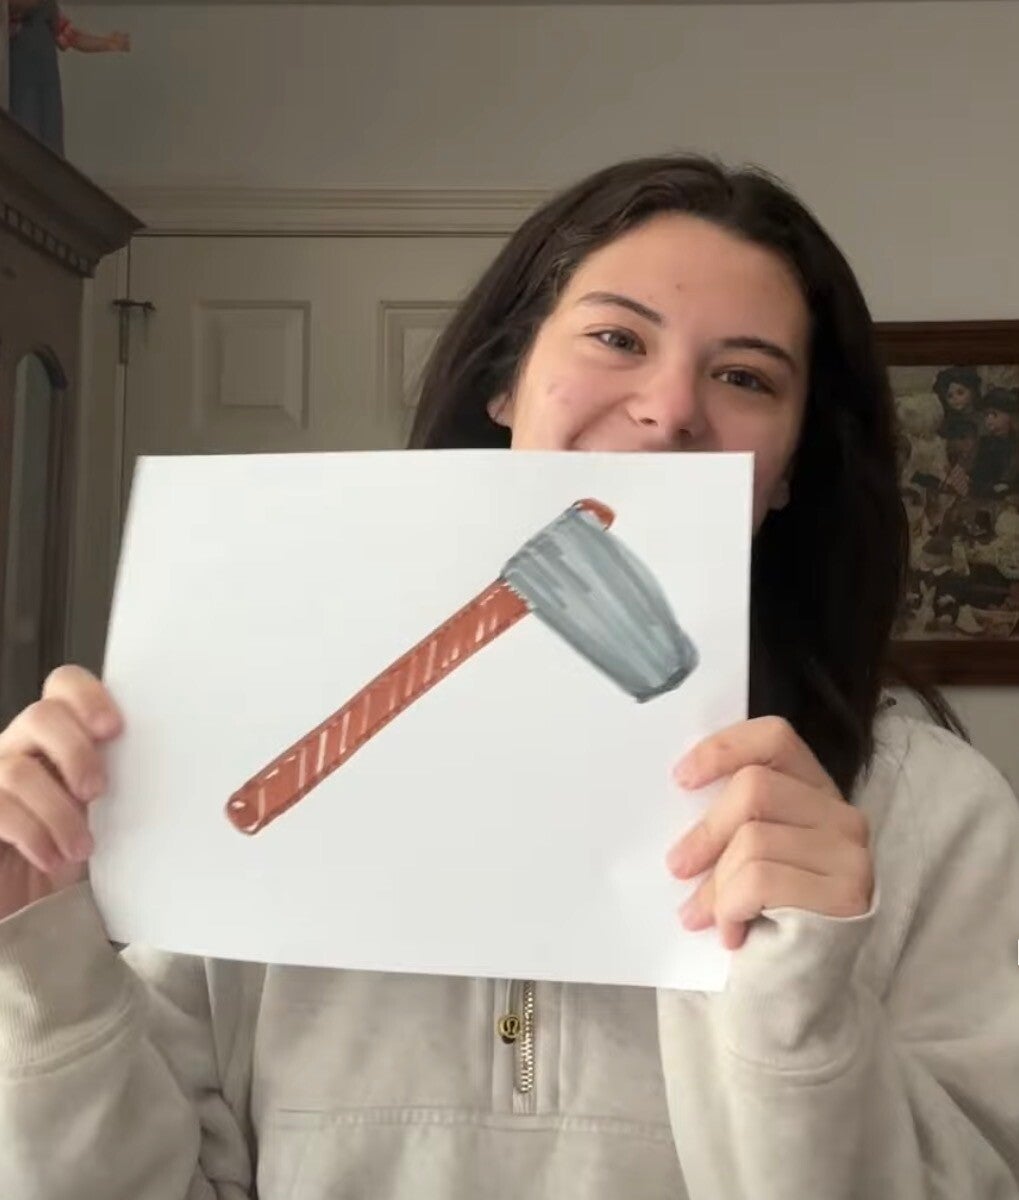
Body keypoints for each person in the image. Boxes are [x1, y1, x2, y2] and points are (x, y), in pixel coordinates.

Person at [1, 156, 1017, 1200]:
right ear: (504, 381)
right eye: (617, 338)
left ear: (792, 464)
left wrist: (799, 1004)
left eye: (745, 377)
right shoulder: (246, 775)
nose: (671, 408)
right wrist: (39, 952)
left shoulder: (931, 815)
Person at [7, 0, 130, 155]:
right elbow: (13, 5)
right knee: (24, 140)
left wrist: (107, 43)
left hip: (47, 83)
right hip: (20, 82)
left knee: (51, 142)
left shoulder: (48, 7)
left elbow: (71, 36)